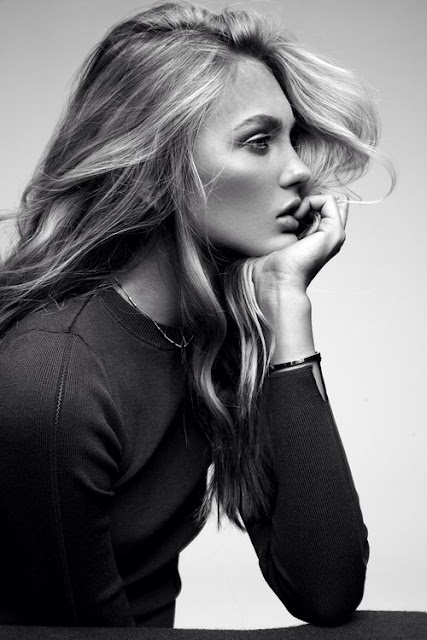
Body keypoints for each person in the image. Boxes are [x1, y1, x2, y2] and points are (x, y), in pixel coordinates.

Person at [0, 1, 393, 630]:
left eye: (292, 139)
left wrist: (285, 304)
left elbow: (326, 588)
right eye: (259, 142)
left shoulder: (211, 335)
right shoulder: (55, 378)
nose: (298, 170)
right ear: (158, 166)